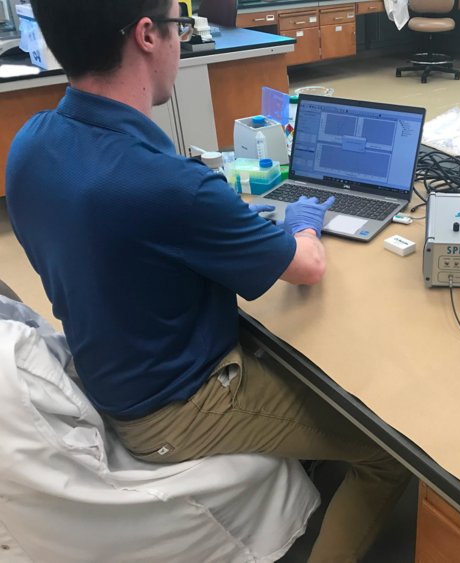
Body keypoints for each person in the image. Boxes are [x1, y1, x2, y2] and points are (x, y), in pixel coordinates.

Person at [5, 1, 410, 561]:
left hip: (112, 366)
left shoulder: (30, 145)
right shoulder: (171, 185)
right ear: (148, 36)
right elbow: (306, 268)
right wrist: (304, 225)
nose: (181, 39)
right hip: (176, 410)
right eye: (181, 25)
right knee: (388, 455)